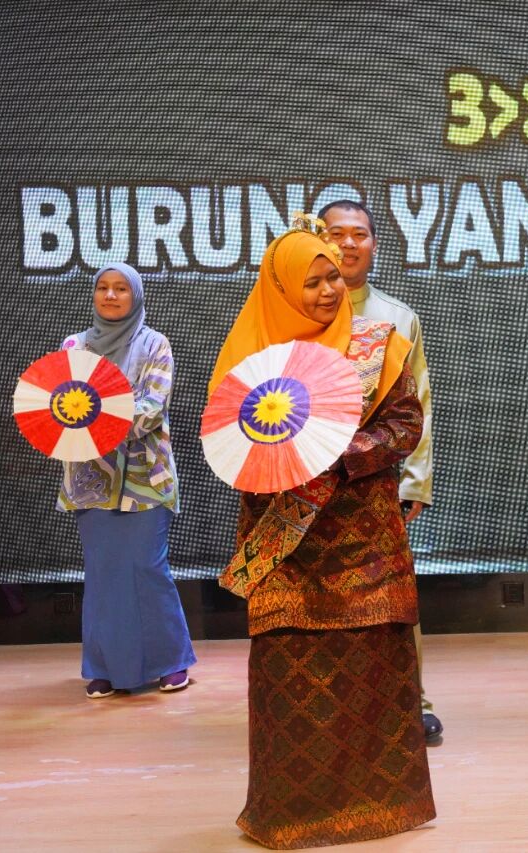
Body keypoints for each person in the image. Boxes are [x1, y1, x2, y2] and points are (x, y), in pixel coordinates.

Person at [210, 221, 434, 848]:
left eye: (333, 275)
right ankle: (290, 816)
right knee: (290, 677)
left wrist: (337, 452)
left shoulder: (377, 345)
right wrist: (286, 456)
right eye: (311, 282)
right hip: (288, 549)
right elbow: (236, 452)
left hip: (366, 543)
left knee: (371, 673)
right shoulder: (248, 358)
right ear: (282, 288)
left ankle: (383, 808)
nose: (329, 290)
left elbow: (404, 425)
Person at [320, 200, 443, 744]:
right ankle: (325, 706)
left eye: (360, 234)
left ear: (374, 244)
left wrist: (414, 481)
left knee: (392, 597)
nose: (348, 244)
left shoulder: (397, 317)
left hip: (376, 479)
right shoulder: (291, 312)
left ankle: (410, 702)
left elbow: (419, 407)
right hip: (307, 480)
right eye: (336, 233)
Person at [58, 262, 195, 698]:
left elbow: (150, 409)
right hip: (90, 478)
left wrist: (96, 414)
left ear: (135, 296)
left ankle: (170, 662)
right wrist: (91, 413)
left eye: (121, 288)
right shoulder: (74, 346)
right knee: (103, 572)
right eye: (103, 287)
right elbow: (61, 407)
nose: (111, 295)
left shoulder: (155, 344)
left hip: (144, 476)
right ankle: (104, 667)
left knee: (146, 568)